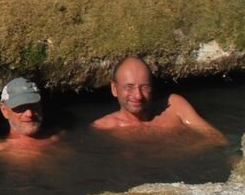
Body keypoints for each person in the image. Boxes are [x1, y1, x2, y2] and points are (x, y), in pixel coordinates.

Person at [92, 56, 225, 144]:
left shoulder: (175, 106)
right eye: (129, 87)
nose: (138, 95)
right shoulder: (103, 127)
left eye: (144, 87)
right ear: (114, 89)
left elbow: (216, 138)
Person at [0, 76, 60, 157]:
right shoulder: (0, 150)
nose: (29, 114)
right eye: (21, 107)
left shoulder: (56, 136)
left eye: (33, 106)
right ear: (4, 110)